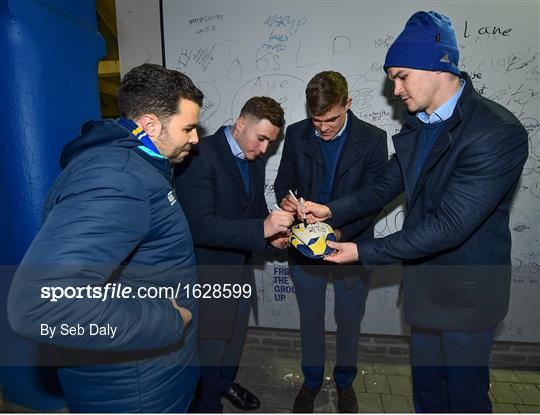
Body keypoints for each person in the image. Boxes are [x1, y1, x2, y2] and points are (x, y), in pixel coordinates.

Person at [301, 11, 528, 413]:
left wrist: (361, 251)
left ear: (438, 67)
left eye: (401, 75)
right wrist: (330, 210)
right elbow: (388, 184)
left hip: (468, 297)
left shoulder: (495, 131)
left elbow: (450, 225)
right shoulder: (419, 121)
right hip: (424, 288)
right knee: (426, 397)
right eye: (392, 77)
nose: (395, 88)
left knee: (464, 401)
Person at [7, 63, 204, 412]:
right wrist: (169, 320)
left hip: (151, 378)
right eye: (188, 128)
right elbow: (40, 304)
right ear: (150, 125)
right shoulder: (118, 178)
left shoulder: (141, 168)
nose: (195, 138)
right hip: (134, 392)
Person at [274, 71, 388, 413]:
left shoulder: (373, 138)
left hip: (351, 244)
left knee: (349, 318)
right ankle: (310, 382)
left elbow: (374, 199)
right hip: (305, 245)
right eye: (316, 120)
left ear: (348, 104)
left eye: (331, 119)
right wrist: (287, 202)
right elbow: (283, 183)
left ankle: (345, 381)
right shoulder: (296, 134)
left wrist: (338, 234)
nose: (323, 128)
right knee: (310, 317)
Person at [175, 96, 294, 413]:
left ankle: (224, 384)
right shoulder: (200, 155)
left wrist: (274, 239)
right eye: (262, 138)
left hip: (240, 271)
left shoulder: (252, 159)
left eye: (271, 141)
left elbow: (253, 212)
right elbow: (198, 226)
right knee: (210, 351)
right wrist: (261, 231)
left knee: (234, 343)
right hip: (209, 275)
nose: (265, 148)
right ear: (241, 124)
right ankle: (206, 403)